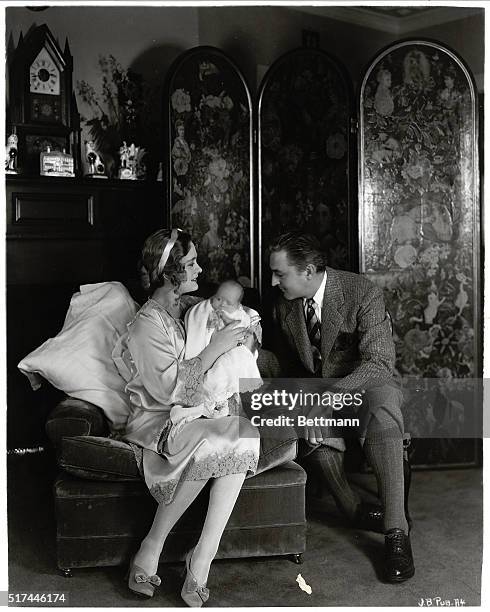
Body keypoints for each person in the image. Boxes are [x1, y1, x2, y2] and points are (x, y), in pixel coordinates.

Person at [122, 228, 260, 604]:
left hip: (198, 412)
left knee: (245, 434)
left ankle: (201, 561)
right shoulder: (145, 325)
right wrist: (215, 347)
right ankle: (151, 547)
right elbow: (168, 391)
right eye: (191, 263)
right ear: (170, 274)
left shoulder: (191, 306)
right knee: (216, 442)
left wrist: (247, 329)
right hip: (159, 418)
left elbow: (235, 319)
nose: (200, 268)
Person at [268, 231, 414, 583]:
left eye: (280, 274)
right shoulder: (283, 306)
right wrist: (246, 349)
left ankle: (397, 532)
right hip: (320, 390)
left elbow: (379, 363)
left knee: (383, 407)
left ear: (309, 271)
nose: (273, 281)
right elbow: (285, 367)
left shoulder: (360, 292)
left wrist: (331, 397)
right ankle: (354, 510)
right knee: (297, 407)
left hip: (365, 386)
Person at [183, 280, 262, 420]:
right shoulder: (210, 312)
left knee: (241, 364)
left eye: (229, 303)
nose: (222, 304)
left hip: (234, 351)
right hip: (217, 352)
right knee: (217, 374)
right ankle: (212, 400)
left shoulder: (241, 314)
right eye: (219, 298)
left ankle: (244, 397)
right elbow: (206, 330)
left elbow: (244, 328)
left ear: (238, 306)